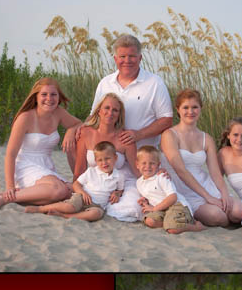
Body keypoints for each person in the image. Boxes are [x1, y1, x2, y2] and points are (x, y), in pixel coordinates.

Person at [71, 34, 174, 221]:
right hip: (107, 160)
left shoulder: (154, 83)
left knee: (130, 208)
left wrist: (138, 134)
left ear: (140, 58)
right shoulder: (105, 83)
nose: (127, 61)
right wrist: (76, 128)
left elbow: (167, 120)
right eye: (123, 56)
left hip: (139, 162)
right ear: (115, 59)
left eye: (132, 56)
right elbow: (94, 114)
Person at [0, 78, 82, 210]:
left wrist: (70, 131)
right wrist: (10, 186)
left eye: (53, 94)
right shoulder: (25, 117)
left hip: (46, 165)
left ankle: (34, 198)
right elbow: (10, 155)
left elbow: (79, 124)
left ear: (58, 97)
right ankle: (6, 197)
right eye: (44, 94)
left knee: (70, 191)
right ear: (36, 97)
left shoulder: (58, 112)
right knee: (58, 190)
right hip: (25, 165)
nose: (49, 98)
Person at [161, 89, 242, 227]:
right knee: (218, 216)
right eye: (185, 107)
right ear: (178, 109)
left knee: (239, 211)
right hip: (185, 188)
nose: (191, 111)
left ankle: (231, 215)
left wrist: (224, 193)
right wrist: (207, 197)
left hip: (206, 184)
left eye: (195, 107)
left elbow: (215, 173)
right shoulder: (169, 135)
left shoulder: (207, 138)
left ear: (201, 108)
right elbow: (180, 170)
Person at [71, 93, 140, 222]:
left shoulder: (125, 138)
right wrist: (75, 189)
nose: (110, 113)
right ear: (99, 111)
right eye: (107, 108)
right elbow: (79, 168)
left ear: (119, 115)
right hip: (93, 183)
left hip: (118, 184)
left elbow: (137, 170)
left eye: (115, 110)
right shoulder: (86, 133)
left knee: (132, 209)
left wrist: (157, 176)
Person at [26, 141, 123, 221]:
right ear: (96, 161)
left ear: (115, 157)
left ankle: (66, 216)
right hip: (82, 198)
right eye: (100, 160)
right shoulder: (91, 171)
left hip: (98, 205)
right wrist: (83, 193)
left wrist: (117, 194)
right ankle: (41, 208)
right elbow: (76, 184)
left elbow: (120, 189)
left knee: (96, 214)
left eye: (107, 159)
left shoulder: (119, 176)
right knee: (69, 207)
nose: (104, 163)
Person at [135, 145, 205, 234]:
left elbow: (173, 197)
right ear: (137, 164)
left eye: (152, 163)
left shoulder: (162, 177)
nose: (147, 166)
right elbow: (151, 194)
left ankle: (196, 227)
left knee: (172, 229)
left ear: (158, 165)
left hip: (176, 206)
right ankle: (169, 223)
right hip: (162, 209)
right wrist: (144, 200)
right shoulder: (139, 182)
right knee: (150, 221)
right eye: (144, 163)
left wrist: (155, 208)